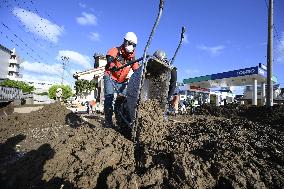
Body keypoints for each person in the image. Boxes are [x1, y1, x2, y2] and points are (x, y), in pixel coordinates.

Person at [103, 32, 139, 128]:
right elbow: (109, 57)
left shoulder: (132, 58)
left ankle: (122, 121)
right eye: (129, 43)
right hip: (110, 76)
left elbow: (137, 70)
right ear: (125, 41)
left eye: (134, 45)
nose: (131, 46)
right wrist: (111, 64)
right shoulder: (116, 50)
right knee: (109, 97)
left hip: (121, 81)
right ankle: (108, 122)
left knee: (125, 99)